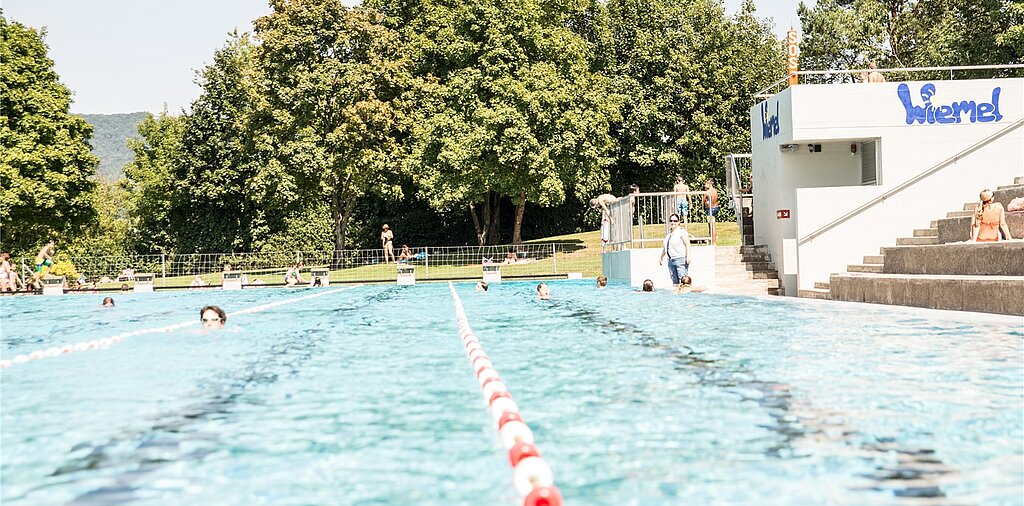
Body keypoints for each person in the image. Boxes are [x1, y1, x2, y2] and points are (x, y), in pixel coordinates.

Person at [659, 213, 691, 285]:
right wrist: (661, 257)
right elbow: (666, 247)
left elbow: (687, 244)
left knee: (683, 282)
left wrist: (688, 256)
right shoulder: (669, 233)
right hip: (671, 260)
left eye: (675, 221)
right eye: (671, 221)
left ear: (679, 222)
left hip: (680, 259)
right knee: (675, 283)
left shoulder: (682, 231)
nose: (673, 222)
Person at [703, 179, 719, 244]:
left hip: (710, 209)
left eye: (705, 184)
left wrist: (705, 204)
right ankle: (713, 241)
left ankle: (713, 242)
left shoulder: (708, 192)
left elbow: (703, 200)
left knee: (711, 226)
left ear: (709, 184)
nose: (705, 185)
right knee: (713, 225)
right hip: (716, 208)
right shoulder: (715, 191)